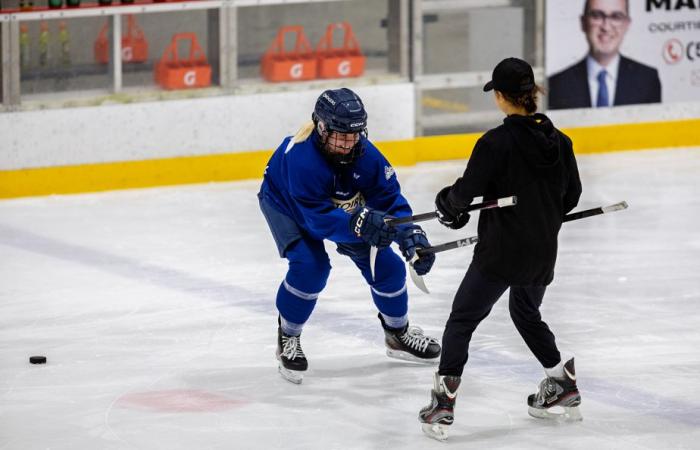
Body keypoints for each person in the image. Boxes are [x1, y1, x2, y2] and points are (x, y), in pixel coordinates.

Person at [418, 57, 584, 441]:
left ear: (501, 96)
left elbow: (464, 193)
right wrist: (541, 213)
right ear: (532, 94)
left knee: (462, 320)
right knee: (526, 312)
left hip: (500, 253)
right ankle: (561, 382)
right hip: (542, 250)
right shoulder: (561, 141)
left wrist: (447, 203)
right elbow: (571, 196)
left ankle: (443, 404)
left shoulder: (495, 142)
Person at [258, 87, 441, 385]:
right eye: (340, 135)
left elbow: (390, 201)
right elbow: (316, 222)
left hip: (340, 208)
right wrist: (359, 223)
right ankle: (288, 335)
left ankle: (397, 333)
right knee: (310, 267)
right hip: (286, 206)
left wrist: (410, 236)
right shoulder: (302, 161)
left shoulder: (367, 156)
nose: (347, 143)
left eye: (354, 135)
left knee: (390, 268)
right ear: (321, 127)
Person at [548, 0, 661, 110]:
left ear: (627, 24)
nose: (606, 27)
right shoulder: (556, 85)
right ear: (583, 22)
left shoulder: (647, 80)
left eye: (616, 16)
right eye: (597, 15)